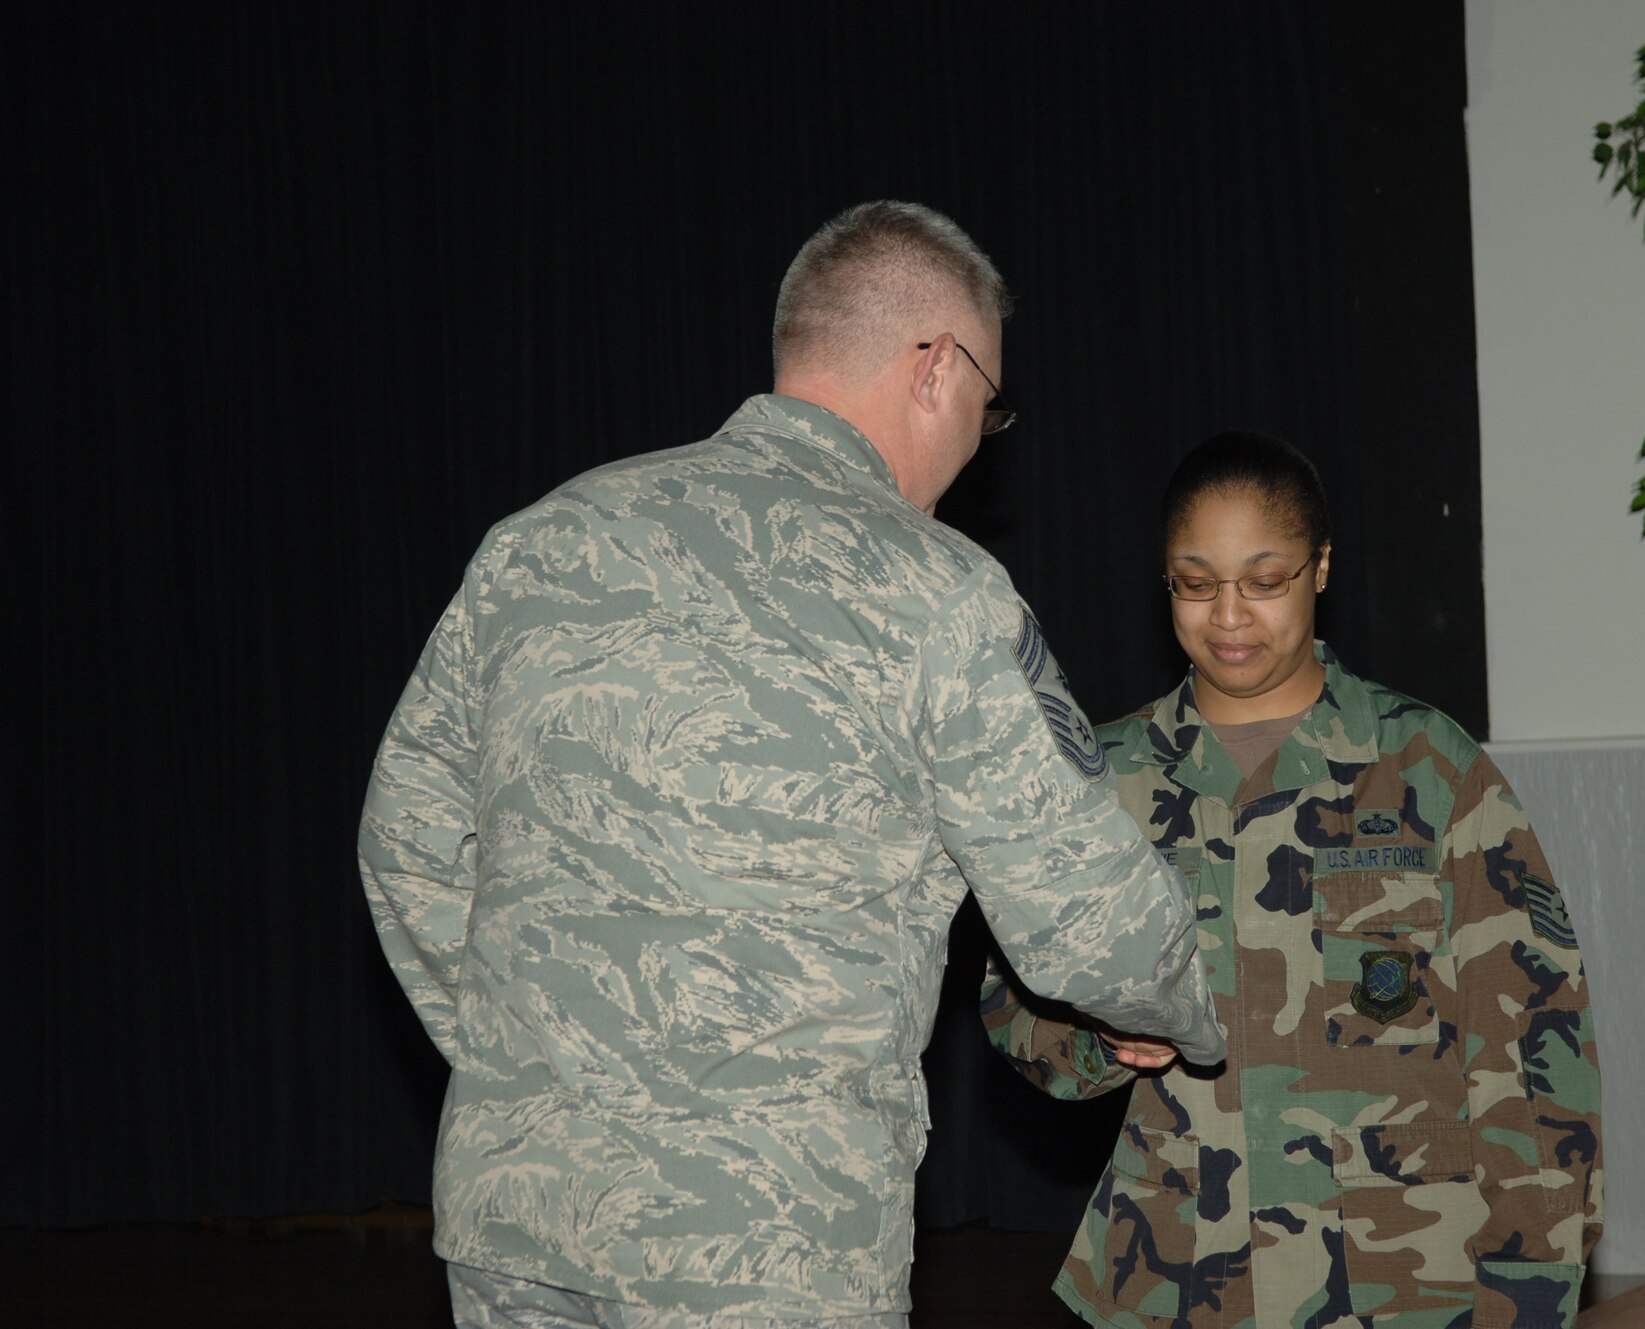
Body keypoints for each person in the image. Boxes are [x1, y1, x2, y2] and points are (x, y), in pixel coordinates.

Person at [358, 200, 1226, 1329]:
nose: (977, 438)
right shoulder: (936, 591)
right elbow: (1086, 915)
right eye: (987, 402)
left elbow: (406, 838)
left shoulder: (543, 541)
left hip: (521, 1212)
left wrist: (529, 1063)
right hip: (768, 1235)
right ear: (935, 367)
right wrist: (1185, 1014)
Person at [982, 431, 1603, 1328]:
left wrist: (1532, 1285)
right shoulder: (1100, 782)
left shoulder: (1428, 766)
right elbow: (1011, 1003)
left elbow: (1535, 1041)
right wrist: (1098, 1039)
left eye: (1263, 581)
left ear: (1319, 568)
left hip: (1405, 1281)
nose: (1228, 615)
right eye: (1195, 584)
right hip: (1178, 1278)